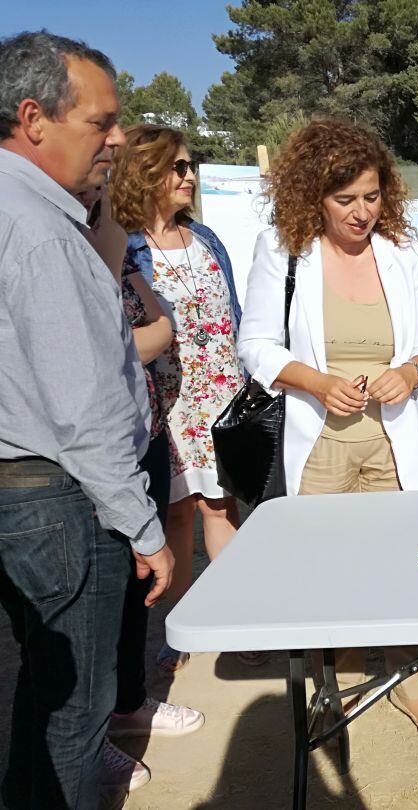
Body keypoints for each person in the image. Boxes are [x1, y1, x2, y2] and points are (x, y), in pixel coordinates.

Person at [0, 31, 174, 808]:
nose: (117, 139)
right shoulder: (36, 232)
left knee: (43, 699)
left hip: (29, 493)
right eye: (102, 122)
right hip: (57, 498)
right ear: (34, 118)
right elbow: (85, 404)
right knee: (74, 710)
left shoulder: (36, 213)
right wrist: (143, 527)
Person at [238, 120, 418, 737]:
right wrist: (315, 382)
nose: (362, 213)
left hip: (395, 441)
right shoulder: (285, 252)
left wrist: (411, 371)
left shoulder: (402, 252)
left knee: (406, 563)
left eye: (373, 195)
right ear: (314, 197)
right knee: (328, 569)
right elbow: (253, 345)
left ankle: (410, 679)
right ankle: (344, 675)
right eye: (345, 199)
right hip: (320, 444)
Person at [74, 187, 204, 793]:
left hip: (141, 432)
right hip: (82, 457)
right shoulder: (62, 262)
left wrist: (143, 333)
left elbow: (162, 329)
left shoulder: (120, 263)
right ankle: (84, 745)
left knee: (126, 590)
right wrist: (141, 338)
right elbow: (117, 348)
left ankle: (125, 704)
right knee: (85, 609)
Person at [110, 124, 245, 671]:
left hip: (222, 398)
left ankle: (237, 622)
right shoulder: (126, 249)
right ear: (145, 173)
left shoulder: (207, 240)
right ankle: (181, 629)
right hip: (168, 404)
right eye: (177, 167)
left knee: (222, 507)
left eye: (190, 166)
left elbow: (231, 315)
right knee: (178, 517)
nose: (189, 177)